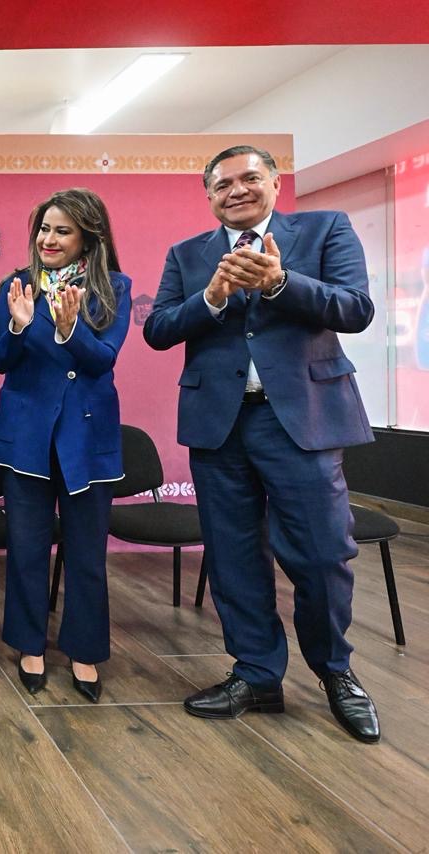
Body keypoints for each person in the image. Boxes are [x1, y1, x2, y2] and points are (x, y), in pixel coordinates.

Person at [144, 145, 381, 742]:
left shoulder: (325, 229)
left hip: (300, 421)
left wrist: (280, 284)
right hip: (219, 425)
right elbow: (158, 329)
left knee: (322, 555)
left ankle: (336, 671)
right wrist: (211, 298)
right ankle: (256, 674)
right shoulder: (188, 254)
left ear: (274, 183)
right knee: (233, 556)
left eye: (249, 178)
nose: (237, 191)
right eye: (222, 185)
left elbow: (355, 308)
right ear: (209, 197)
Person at [0, 188, 131, 703]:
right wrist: (18, 326)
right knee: (26, 549)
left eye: (62, 231)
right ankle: (29, 645)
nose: (48, 239)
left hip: (85, 436)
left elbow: (103, 360)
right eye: (44, 229)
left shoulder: (114, 286)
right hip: (27, 435)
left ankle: (84, 650)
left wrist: (70, 331)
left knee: (87, 554)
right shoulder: (17, 285)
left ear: (88, 238)